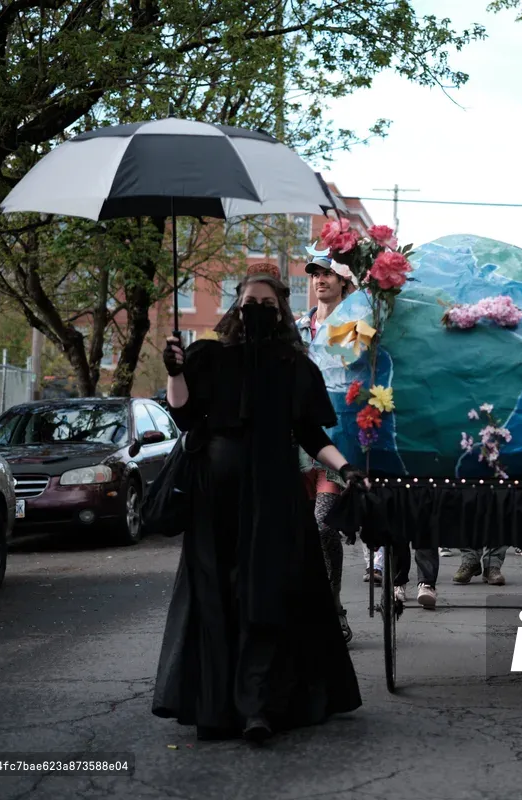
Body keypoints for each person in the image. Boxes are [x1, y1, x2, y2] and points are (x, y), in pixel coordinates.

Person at [152, 272, 365, 744]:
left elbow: (312, 435)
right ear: (236, 305)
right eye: (249, 300)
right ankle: (216, 704)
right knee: (216, 595)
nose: (257, 308)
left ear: (282, 310)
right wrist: (174, 372)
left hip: (274, 494)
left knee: (267, 591)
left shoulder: (296, 366)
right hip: (216, 497)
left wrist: (346, 467)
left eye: (267, 302)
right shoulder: (208, 355)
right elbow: (184, 413)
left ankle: (259, 707)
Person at [297, 254, 360, 641]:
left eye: (328, 274)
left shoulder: (355, 324)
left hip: (337, 440)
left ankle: (333, 608)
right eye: (316, 274)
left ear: (343, 282)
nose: (321, 279)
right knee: (296, 532)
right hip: (297, 441)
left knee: (323, 528)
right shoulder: (297, 328)